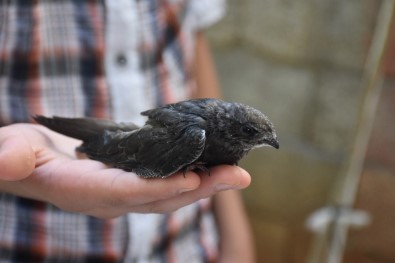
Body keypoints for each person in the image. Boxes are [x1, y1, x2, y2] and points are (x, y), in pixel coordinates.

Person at [0, 1, 255, 262]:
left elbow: (194, 41)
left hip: (187, 245)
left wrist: (237, 245)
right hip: (40, 245)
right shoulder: (190, 138)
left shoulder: (218, 133)